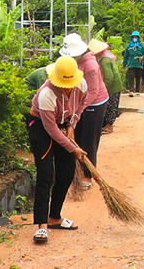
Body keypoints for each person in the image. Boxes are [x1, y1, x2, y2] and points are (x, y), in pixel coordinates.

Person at [28, 56, 89, 244]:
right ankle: (41, 225)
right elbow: (50, 129)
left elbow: (80, 107)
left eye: (69, 83)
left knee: (67, 172)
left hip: (64, 126)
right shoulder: (46, 94)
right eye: (64, 83)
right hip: (41, 128)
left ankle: (54, 217)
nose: (67, 87)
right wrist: (73, 148)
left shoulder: (81, 85)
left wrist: (72, 125)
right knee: (46, 175)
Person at [60, 33, 109, 190]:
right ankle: (76, 173)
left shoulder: (90, 65)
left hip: (95, 103)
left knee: (89, 140)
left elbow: (93, 92)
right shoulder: (72, 61)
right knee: (77, 138)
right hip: (81, 103)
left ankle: (88, 175)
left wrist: (77, 111)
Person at [89, 39, 124, 134]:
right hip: (113, 85)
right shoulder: (105, 58)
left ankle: (109, 126)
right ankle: (106, 125)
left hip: (113, 86)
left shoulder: (104, 60)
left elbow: (109, 77)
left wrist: (103, 89)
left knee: (111, 106)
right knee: (110, 106)